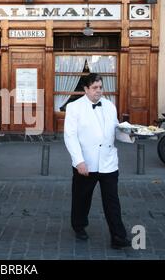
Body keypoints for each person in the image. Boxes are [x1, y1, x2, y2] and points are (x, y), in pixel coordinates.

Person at [64, 73, 130, 250]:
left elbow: (115, 131)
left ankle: (118, 236)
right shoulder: (74, 108)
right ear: (85, 89)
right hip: (86, 163)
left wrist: (130, 134)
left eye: (100, 87)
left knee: (112, 200)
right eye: (94, 88)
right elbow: (70, 136)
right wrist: (79, 161)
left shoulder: (110, 106)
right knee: (81, 199)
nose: (98, 91)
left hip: (108, 162)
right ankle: (79, 226)